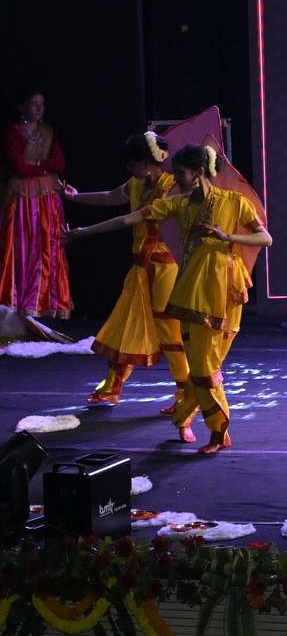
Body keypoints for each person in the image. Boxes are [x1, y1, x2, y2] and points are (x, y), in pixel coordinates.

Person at [66, 144, 271, 455]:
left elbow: (265, 238)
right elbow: (128, 219)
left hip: (225, 290)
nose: (176, 178)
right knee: (202, 366)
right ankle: (212, 428)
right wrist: (82, 232)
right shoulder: (178, 204)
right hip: (190, 289)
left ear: (198, 173)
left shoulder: (234, 202)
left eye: (181, 173)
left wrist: (228, 237)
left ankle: (199, 423)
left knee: (206, 366)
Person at [62, 132, 196, 435]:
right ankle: (112, 387)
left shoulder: (170, 187)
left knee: (170, 333)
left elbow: (128, 219)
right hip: (139, 269)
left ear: (147, 163)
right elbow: (111, 196)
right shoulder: (136, 183)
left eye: (133, 163)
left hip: (164, 270)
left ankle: (186, 396)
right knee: (126, 325)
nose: (129, 168)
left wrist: (82, 232)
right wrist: (75, 196)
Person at [1, 90, 72, 318]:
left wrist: (37, 164)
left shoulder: (48, 132)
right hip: (22, 197)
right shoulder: (14, 133)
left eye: (42, 104)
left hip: (47, 197)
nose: (39, 109)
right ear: (22, 107)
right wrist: (44, 166)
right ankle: (17, 302)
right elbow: (19, 167)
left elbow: (59, 163)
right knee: (23, 246)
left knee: (47, 247)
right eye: (34, 104)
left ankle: (44, 302)